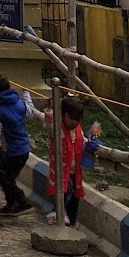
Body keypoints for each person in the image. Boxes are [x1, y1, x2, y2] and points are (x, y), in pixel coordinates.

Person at [0, 72, 32, 216]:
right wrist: (27, 96)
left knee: (4, 176)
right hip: (24, 149)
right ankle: (15, 203)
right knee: (8, 177)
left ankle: (19, 202)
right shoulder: (18, 104)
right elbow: (30, 112)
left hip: (13, 151)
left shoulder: (0, 111)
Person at [45, 93, 86, 226]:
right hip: (61, 171)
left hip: (75, 171)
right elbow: (48, 125)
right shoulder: (57, 129)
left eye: (77, 120)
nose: (74, 122)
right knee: (65, 192)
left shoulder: (78, 131)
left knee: (75, 199)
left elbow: (82, 144)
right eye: (71, 118)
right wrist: (51, 110)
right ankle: (57, 212)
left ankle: (71, 223)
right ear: (63, 115)